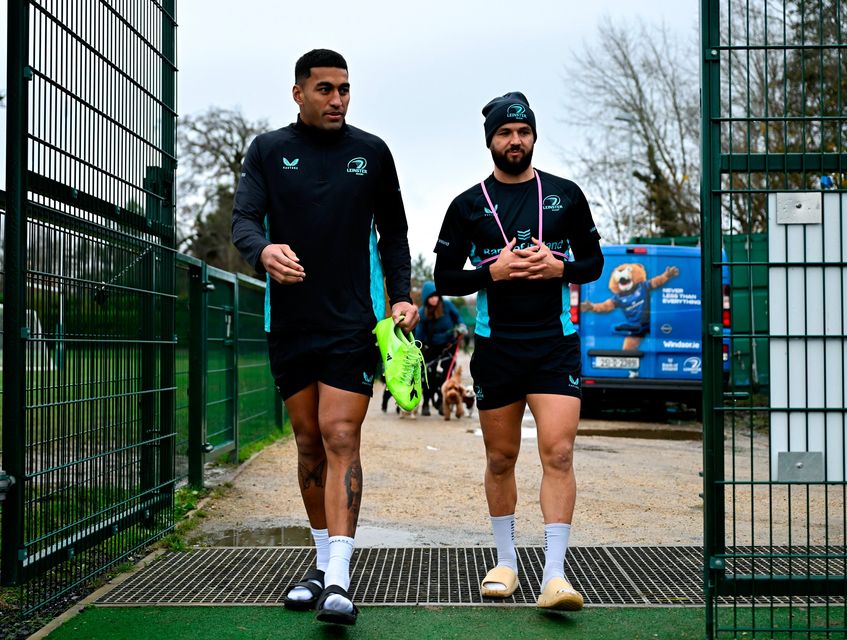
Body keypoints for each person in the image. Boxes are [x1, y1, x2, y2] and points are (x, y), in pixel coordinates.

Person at [231, 49, 417, 626]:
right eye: (325, 89)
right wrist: (261, 251)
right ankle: (319, 565)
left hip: (350, 323)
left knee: (341, 436)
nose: (337, 99)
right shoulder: (267, 150)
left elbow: (394, 232)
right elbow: (243, 221)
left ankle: (339, 577)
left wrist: (402, 295)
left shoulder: (371, 152)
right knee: (308, 442)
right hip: (288, 321)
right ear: (299, 94)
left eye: (344, 89)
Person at [432, 92, 604, 610]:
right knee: (501, 457)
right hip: (497, 348)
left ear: (534, 136)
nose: (515, 141)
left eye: (522, 132)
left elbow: (593, 262)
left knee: (558, 452)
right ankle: (505, 561)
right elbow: (444, 278)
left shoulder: (565, 195)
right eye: (505, 133)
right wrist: (492, 272)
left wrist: (560, 269)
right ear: (491, 141)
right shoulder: (467, 204)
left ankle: (555, 574)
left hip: (554, 346)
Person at [414, 281, 464, 416]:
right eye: (431, 297)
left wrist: (461, 326)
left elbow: (458, 318)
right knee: (429, 377)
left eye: (436, 296)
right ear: (426, 299)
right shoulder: (422, 313)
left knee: (446, 375)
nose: (434, 299)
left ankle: (443, 403)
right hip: (431, 347)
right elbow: (419, 333)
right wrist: (415, 347)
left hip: (449, 346)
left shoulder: (447, 306)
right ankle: (426, 403)